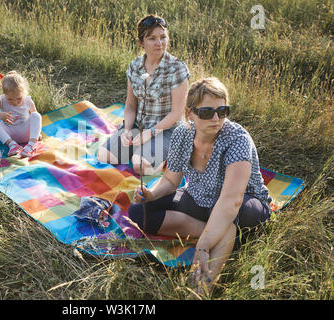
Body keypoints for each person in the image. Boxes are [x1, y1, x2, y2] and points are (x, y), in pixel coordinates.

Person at [128, 77, 272, 296]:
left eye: (222, 111)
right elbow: (171, 180)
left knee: (229, 215)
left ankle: (202, 288)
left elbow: (231, 200)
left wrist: (202, 247)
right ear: (190, 113)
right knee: (139, 211)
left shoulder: (237, 139)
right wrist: (152, 194)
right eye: (206, 112)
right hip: (199, 198)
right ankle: (218, 233)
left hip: (243, 205)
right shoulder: (182, 134)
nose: (216, 118)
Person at [97, 14, 190, 175]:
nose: (159, 43)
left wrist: (151, 133)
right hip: (138, 125)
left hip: (167, 129)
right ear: (141, 42)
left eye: (163, 37)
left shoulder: (177, 68)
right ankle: (141, 149)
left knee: (141, 167)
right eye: (152, 38)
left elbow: (177, 112)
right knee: (104, 156)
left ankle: (165, 153)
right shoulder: (135, 66)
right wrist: (126, 130)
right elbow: (131, 105)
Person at [0, 71, 42, 158]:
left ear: (24, 93)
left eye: (19, 98)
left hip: (26, 133)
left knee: (36, 115)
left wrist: (36, 133)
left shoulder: (27, 100)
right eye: (10, 99)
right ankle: (12, 145)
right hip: (9, 134)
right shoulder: (1, 100)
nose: (15, 102)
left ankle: (31, 145)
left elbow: (35, 119)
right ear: (4, 94)